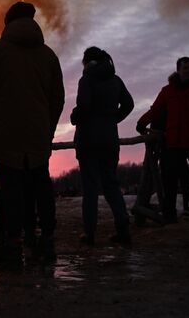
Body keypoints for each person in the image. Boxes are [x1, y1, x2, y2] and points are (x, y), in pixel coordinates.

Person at [0, 1, 65, 263]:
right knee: (41, 186)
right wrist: (46, 130)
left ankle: (11, 243)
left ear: (8, 22)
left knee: (9, 188)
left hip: (5, 134)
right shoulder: (48, 56)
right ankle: (46, 241)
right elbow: (57, 98)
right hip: (37, 134)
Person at [137, 57, 189, 224]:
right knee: (170, 179)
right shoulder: (168, 91)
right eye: (185, 68)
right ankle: (170, 213)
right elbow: (156, 109)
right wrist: (142, 121)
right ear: (178, 70)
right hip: (175, 143)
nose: (188, 70)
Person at [70, 47, 134, 245]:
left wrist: (74, 117)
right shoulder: (115, 80)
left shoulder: (87, 80)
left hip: (88, 140)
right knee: (111, 184)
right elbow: (129, 104)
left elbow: (84, 107)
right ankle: (123, 229)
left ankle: (89, 233)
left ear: (87, 62)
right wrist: (112, 120)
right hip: (109, 140)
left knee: (90, 187)